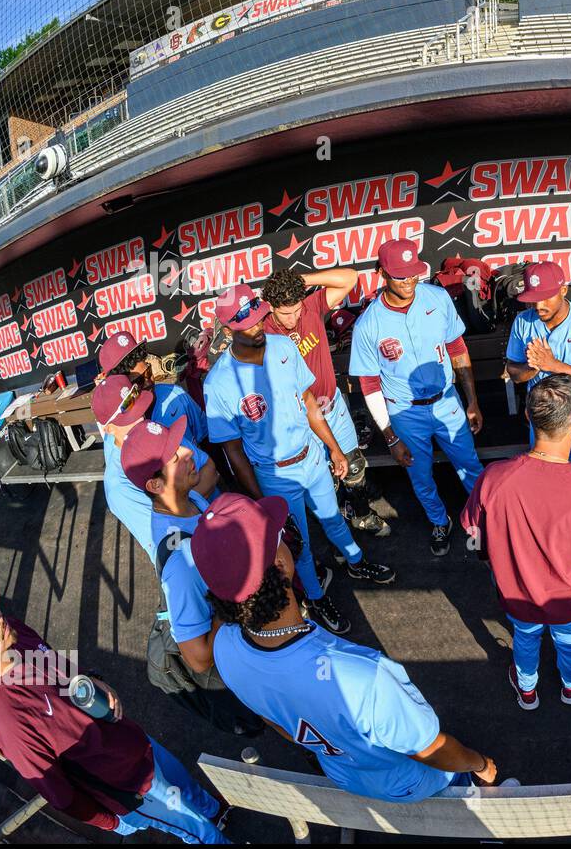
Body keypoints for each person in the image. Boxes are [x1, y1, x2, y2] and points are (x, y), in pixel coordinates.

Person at [202, 493, 510, 799]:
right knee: (459, 786)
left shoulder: (223, 649)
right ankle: (475, 800)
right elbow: (430, 749)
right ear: (280, 564)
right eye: (278, 535)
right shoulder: (362, 677)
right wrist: (480, 764)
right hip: (407, 780)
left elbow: (277, 722)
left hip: (344, 774)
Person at [203, 284, 395, 635]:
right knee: (298, 544)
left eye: (261, 318)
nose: (259, 327)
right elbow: (232, 451)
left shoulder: (282, 345)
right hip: (275, 475)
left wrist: (334, 448)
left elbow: (308, 401)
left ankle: (356, 561)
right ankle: (318, 598)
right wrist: (259, 500)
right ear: (229, 328)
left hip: (312, 458)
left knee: (334, 518)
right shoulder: (218, 383)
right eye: (249, 324)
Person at [0, 580, 230, 843]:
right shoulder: (10, 723)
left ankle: (217, 811)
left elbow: (56, 665)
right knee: (197, 830)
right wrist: (111, 822)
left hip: (129, 738)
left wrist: (91, 678)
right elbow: (61, 795)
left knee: (184, 782)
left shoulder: (12, 633)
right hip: (127, 783)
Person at [461, 375, 571, 710]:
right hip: (570, 599)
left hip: (516, 594)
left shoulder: (493, 478)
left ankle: (527, 689)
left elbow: (475, 532)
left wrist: (490, 561)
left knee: (524, 638)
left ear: (528, 416)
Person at [122, 415, 265, 736]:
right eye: (175, 457)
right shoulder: (180, 564)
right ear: (155, 485)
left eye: (180, 447)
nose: (189, 454)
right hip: (238, 665)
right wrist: (234, 602)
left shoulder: (189, 500)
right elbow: (198, 659)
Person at [349, 241, 487, 555]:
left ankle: (482, 521)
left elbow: (457, 350)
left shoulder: (437, 297)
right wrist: (390, 436)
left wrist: (472, 401)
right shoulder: (368, 325)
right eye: (400, 276)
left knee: (470, 466)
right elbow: (370, 386)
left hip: (447, 401)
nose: (409, 281)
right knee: (420, 476)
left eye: (412, 273)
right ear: (381, 273)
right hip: (405, 413)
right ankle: (440, 521)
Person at [262, 266, 389, 536]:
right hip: (301, 420)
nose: (294, 318)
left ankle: (362, 514)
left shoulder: (310, 305)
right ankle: (337, 534)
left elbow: (350, 278)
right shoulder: (263, 332)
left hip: (331, 404)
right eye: (286, 313)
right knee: (324, 480)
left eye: (296, 310)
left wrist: (302, 281)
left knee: (353, 465)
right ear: (271, 307)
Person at [92, 373, 218, 566]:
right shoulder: (118, 485)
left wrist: (181, 499)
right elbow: (170, 539)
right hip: (198, 563)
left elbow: (210, 468)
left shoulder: (154, 430)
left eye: (139, 408)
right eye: (128, 417)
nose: (141, 417)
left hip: (220, 525)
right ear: (108, 429)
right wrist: (189, 496)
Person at [505, 261, 571, 480]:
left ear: (563, 290)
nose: (538, 306)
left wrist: (553, 366)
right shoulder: (523, 321)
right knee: (546, 480)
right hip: (540, 413)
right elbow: (514, 373)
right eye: (533, 299)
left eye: (546, 297)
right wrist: (532, 367)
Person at [98, 329, 209, 450]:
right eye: (139, 380)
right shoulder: (117, 436)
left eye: (149, 371)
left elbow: (205, 438)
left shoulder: (175, 394)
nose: (149, 381)